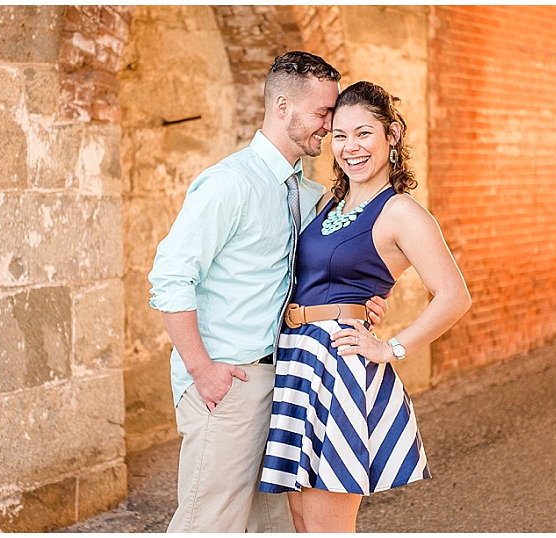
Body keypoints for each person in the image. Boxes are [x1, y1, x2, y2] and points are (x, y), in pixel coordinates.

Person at [148, 53, 389, 533]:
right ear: (283, 107)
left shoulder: (304, 191)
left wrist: (352, 301)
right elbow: (171, 277)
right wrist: (202, 370)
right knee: (208, 524)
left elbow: (313, 269)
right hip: (229, 383)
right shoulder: (230, 184)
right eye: (323, 114)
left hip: (284, 381)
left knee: (268, 526)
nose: (329, 127)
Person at [258, 80, 472, 533]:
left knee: (326, 525)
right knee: (299, 519)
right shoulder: (330, 202)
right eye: (339, 135)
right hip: (298, 362)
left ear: (391, 135)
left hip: (338, 368)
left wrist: (390, 348)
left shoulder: (401, 213)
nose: (350, 147)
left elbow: (454, 296)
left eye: (363, 133)